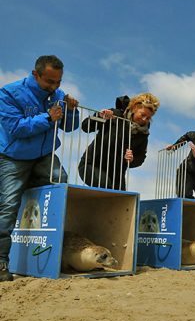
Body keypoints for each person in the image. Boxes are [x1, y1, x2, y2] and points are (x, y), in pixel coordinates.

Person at [0, 55, 79, 281]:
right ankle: (1, 261)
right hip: (12, 157)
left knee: (60, 184)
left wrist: (71, 110)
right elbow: (15, 128)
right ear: (36, 75)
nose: (54, 87)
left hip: (44, 155)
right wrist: (47, 117)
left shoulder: (59, 96)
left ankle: (56, 251)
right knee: (7, 205)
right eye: (49, 82)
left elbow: (70, 127)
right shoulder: (8, 93)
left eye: (58, 82)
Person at [78, 93, 160, 191]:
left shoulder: (143, 134)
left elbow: (141, 158)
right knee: (107, 187)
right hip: (91, 165)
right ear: (134, 108)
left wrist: (132, 160)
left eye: (148, 118)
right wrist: (100, 116)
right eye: (142, 115)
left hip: (116, 175)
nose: (144, 119)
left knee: (123, 198)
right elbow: (85, 126)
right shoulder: (115, 114)